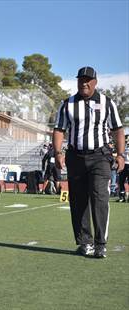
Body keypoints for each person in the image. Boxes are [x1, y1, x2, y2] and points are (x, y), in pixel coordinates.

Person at [53, 66, 125, 258]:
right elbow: (59, 130)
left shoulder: (107, 103)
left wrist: (120, 154)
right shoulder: (67, 104)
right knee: (78, 200)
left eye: (88, 80)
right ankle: (85, 242)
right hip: (75, 156)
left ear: (95, 82)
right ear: (77, 81)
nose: (84, 83)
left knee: (99, 197)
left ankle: (100, 243)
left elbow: (118, 130)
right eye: (81, 80)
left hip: (100, 156)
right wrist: (58, 153)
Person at [116, 135, 129, 202]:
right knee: (121, 181)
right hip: (124, 165)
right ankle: (122, 197)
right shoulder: (123, 146)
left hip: (127, 164)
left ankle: (124, 197)